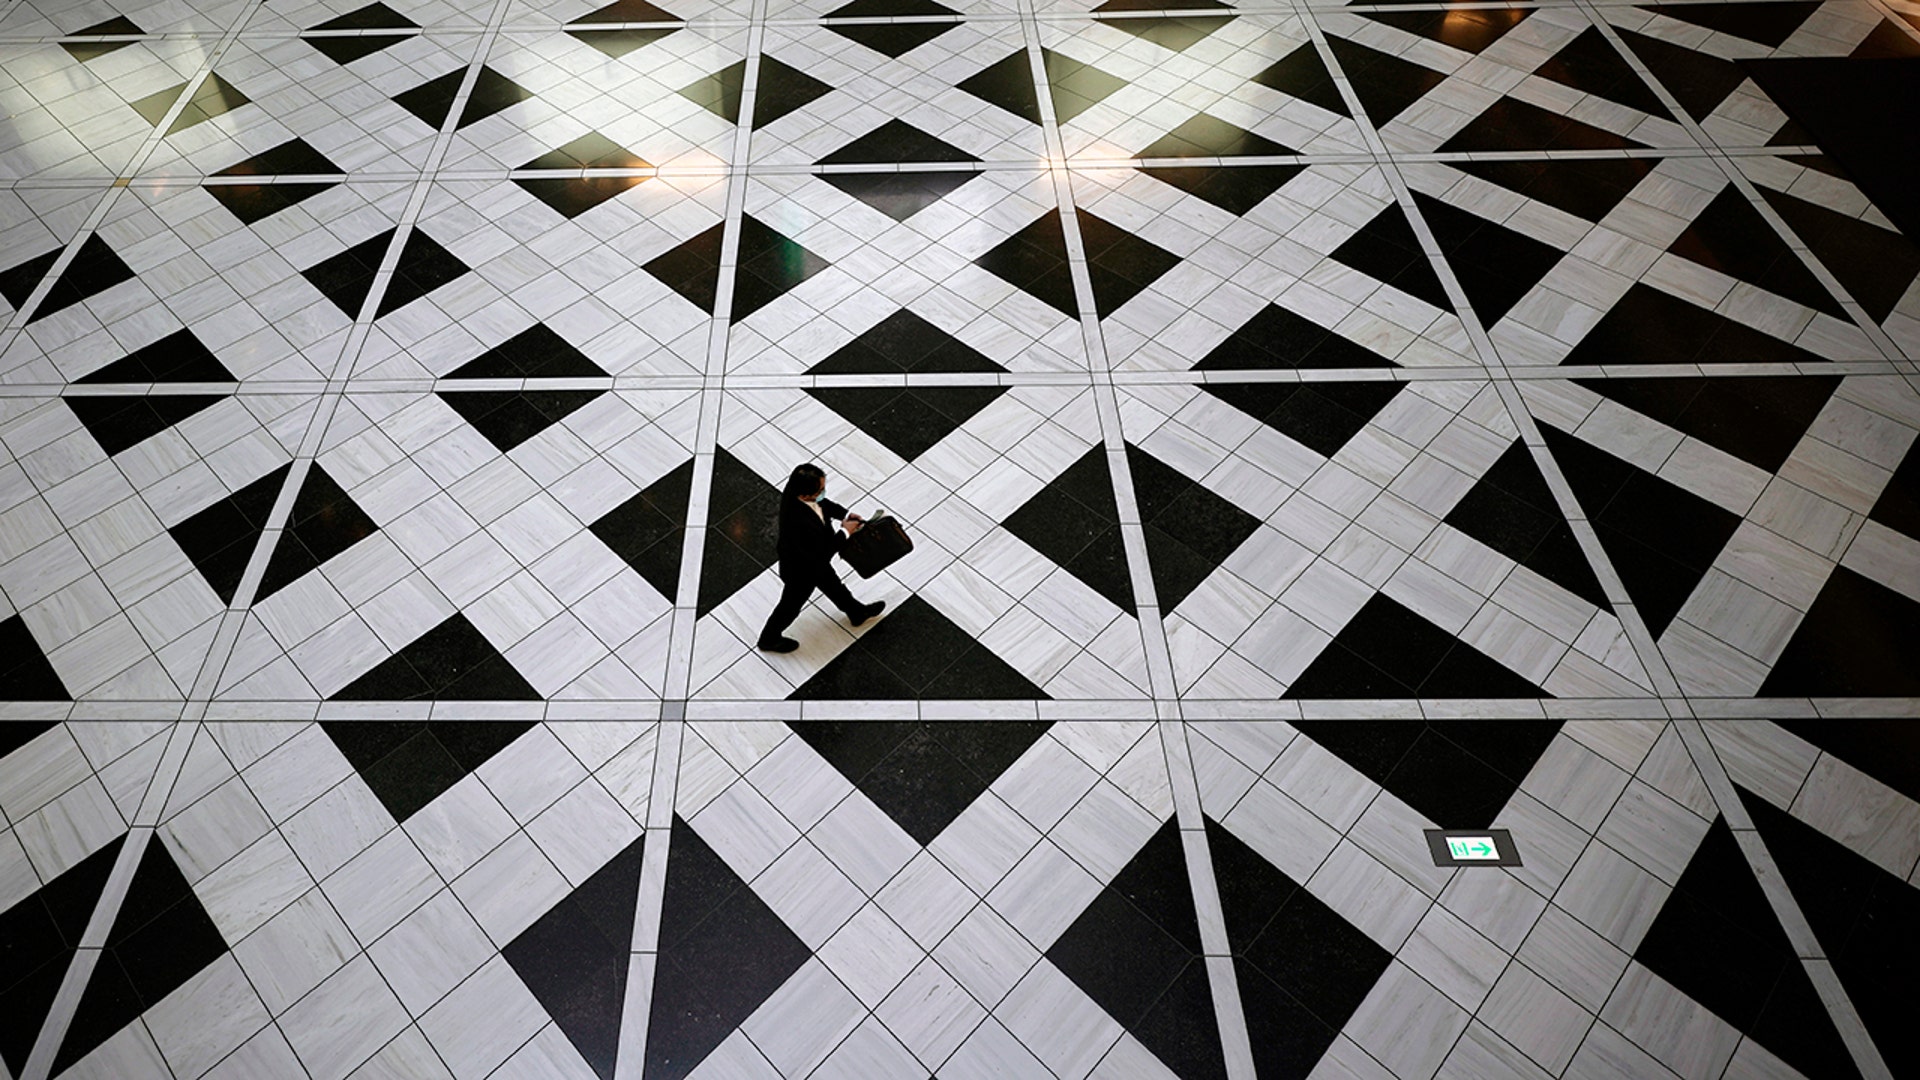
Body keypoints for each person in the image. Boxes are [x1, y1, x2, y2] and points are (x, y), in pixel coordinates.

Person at [758, 463, 885, 653]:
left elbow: (824, 504)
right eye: (820, 490)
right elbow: (823, 552)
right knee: (790, 606)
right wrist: (845, 532)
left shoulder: (800, 493)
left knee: (834, 585)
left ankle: (856, 612)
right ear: (804, 495)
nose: (823, 492)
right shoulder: (797, 521)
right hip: (801, 570)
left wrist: (845, 514)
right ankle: (768, 639)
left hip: (814, 563)